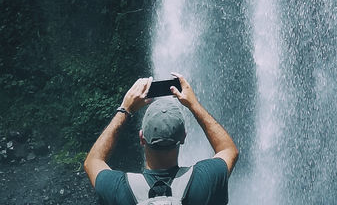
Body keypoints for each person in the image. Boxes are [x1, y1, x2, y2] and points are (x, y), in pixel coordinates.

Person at [84, 74, 239, 204]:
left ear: (141, 138)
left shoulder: (120, 189)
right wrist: (193, 104)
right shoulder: (206, 180)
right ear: (184, 137)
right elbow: (228, 150)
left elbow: (93, 161)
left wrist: (125, 109)